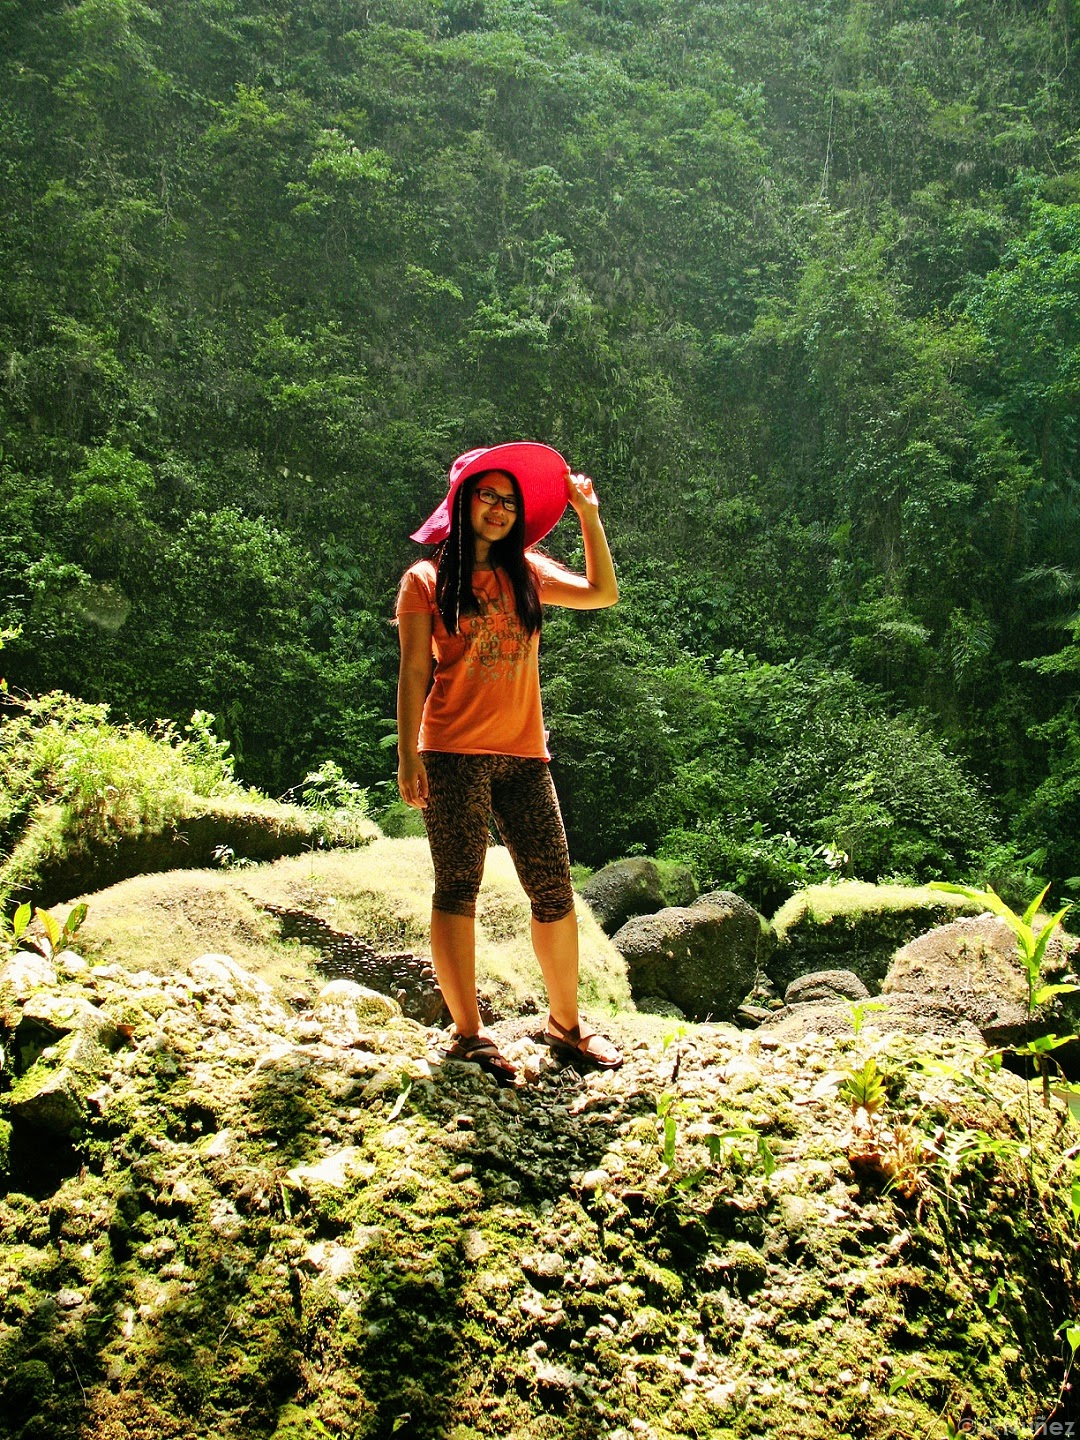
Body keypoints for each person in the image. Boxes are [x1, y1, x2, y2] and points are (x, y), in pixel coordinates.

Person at [395, 441, 623, 1083]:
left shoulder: (527, 571)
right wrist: (408, 751)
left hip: (526, 754)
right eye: (486, 496)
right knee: (458, 887)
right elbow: (414, 670)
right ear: (462, 503)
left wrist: (587, 515)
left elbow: (603, 593)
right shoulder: (426, 580)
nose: (498, 508)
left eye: (508, 499)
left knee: (553, 888)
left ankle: (566, 1026)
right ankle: (468, 1033)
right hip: (452, 753)